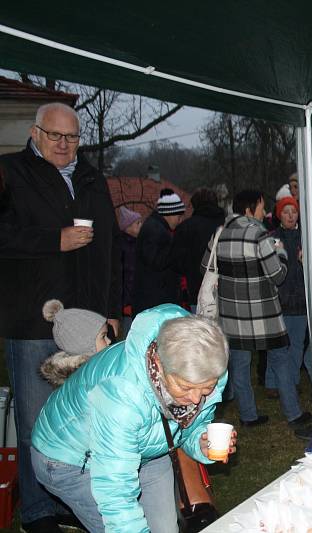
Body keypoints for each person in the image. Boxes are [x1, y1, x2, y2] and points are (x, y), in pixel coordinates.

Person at [0, 102, 121, 532]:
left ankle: (69, 497)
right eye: (55, 135)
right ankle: (38, 510)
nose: (64, 144)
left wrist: (111, 308)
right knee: (35, 419)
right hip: (32, 319)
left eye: (71, 137)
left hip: (87, 321)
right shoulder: (10, 172)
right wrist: (55, 240)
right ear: (35, 134)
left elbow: (110, 247)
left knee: (79, 417)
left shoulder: (90, 178)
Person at [31, 305, 234, 533]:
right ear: (158, 363)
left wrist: (200, 441)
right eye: (186, 387)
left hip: (147, 445)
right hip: (72, 459)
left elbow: (189, 425)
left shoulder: (208, 367)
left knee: (165, 528)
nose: (197, 399)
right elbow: (115, 491)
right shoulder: (122, 395)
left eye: (206, 388)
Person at [203, 189, 287, 427]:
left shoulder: (220, 233)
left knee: (239, 366)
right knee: (280, 358)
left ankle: (248, 415)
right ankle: (292, 412)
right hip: (262, 313)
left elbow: (205, 268)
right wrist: (281, 251)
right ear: (250, 209)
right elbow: (278, 275)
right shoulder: (259, 235)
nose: (264, 211)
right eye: (261, 206)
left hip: (230, 313)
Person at [266, 194, 312, 439]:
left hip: (300, 302)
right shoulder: (272, 238)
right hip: (280, 302)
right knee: (278, 349)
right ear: (278, 214)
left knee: (296, 346)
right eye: (285, 212)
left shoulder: (305, 237)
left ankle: (290, 383)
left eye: (293, 212)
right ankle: (274, 385)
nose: (290, 216)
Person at [133, 189, 185, 316]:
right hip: (154, 302)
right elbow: (156, 262)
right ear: (170, 214)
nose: (180, 221)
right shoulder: (155, 230)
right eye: (178, 216)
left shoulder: (156, 227)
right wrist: (177, 247)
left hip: (155, 301)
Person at [172, 188, 226, 310]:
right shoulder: (228, 225)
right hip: (226, 292)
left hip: (197, 291)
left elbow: (177, 263)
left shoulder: (185, 228)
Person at [39, 299, 113, 386]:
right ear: (84, 345)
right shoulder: (83, 382)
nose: (109, 341)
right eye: (103, 336)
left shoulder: (89, 373)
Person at [117, 206, 143, 336]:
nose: (141, 226)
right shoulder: (123, 246)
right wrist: (126, 301)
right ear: (128, 226)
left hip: (136, 298)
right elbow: (125, 276)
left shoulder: (137, 243)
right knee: (129, 334)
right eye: (137, 223)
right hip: (128, 301)